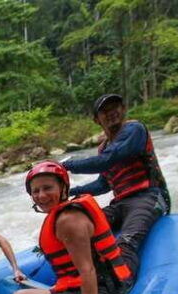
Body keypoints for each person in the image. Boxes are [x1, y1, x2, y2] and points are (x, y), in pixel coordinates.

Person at [1, 162, 132, 294]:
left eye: (48, 188)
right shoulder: (63, 214)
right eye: (35, 191)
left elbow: (87, 270)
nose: (41, 195)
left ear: (63, 188)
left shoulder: (68, 220)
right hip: (87, 289)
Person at [61, 93, 170, 280]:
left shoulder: (134, 130)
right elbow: (102, 184)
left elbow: (107, 161)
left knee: (125, 242)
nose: (112, 113)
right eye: (105, 111)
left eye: (115, 108)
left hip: (150, 196)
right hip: (120, 203)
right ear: (97, 119)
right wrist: (70, 192)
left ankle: (122, 287)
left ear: (123, 109)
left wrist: (66, 165)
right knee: (79, 231)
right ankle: (84, 279)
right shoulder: (103, 148)